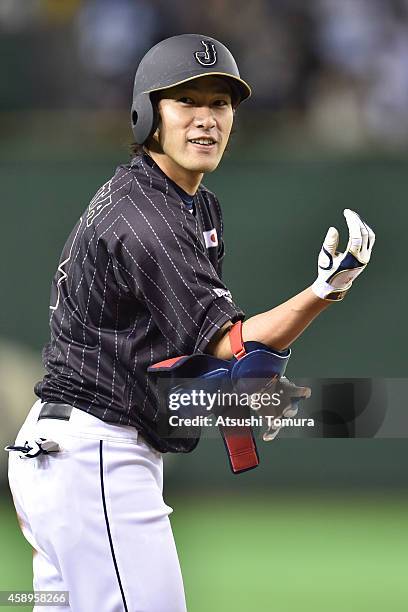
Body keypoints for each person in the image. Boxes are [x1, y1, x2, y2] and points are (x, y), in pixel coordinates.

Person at [7, 34, 375, 612]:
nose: (206, 120)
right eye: (186, 103)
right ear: (149, 116)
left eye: (220, 105)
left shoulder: (190, 204)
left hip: (71, 456)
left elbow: (182, 357)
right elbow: (230, 343)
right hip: (94, 456)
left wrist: (242, 393)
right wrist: (324, 292)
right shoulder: (148, 217)